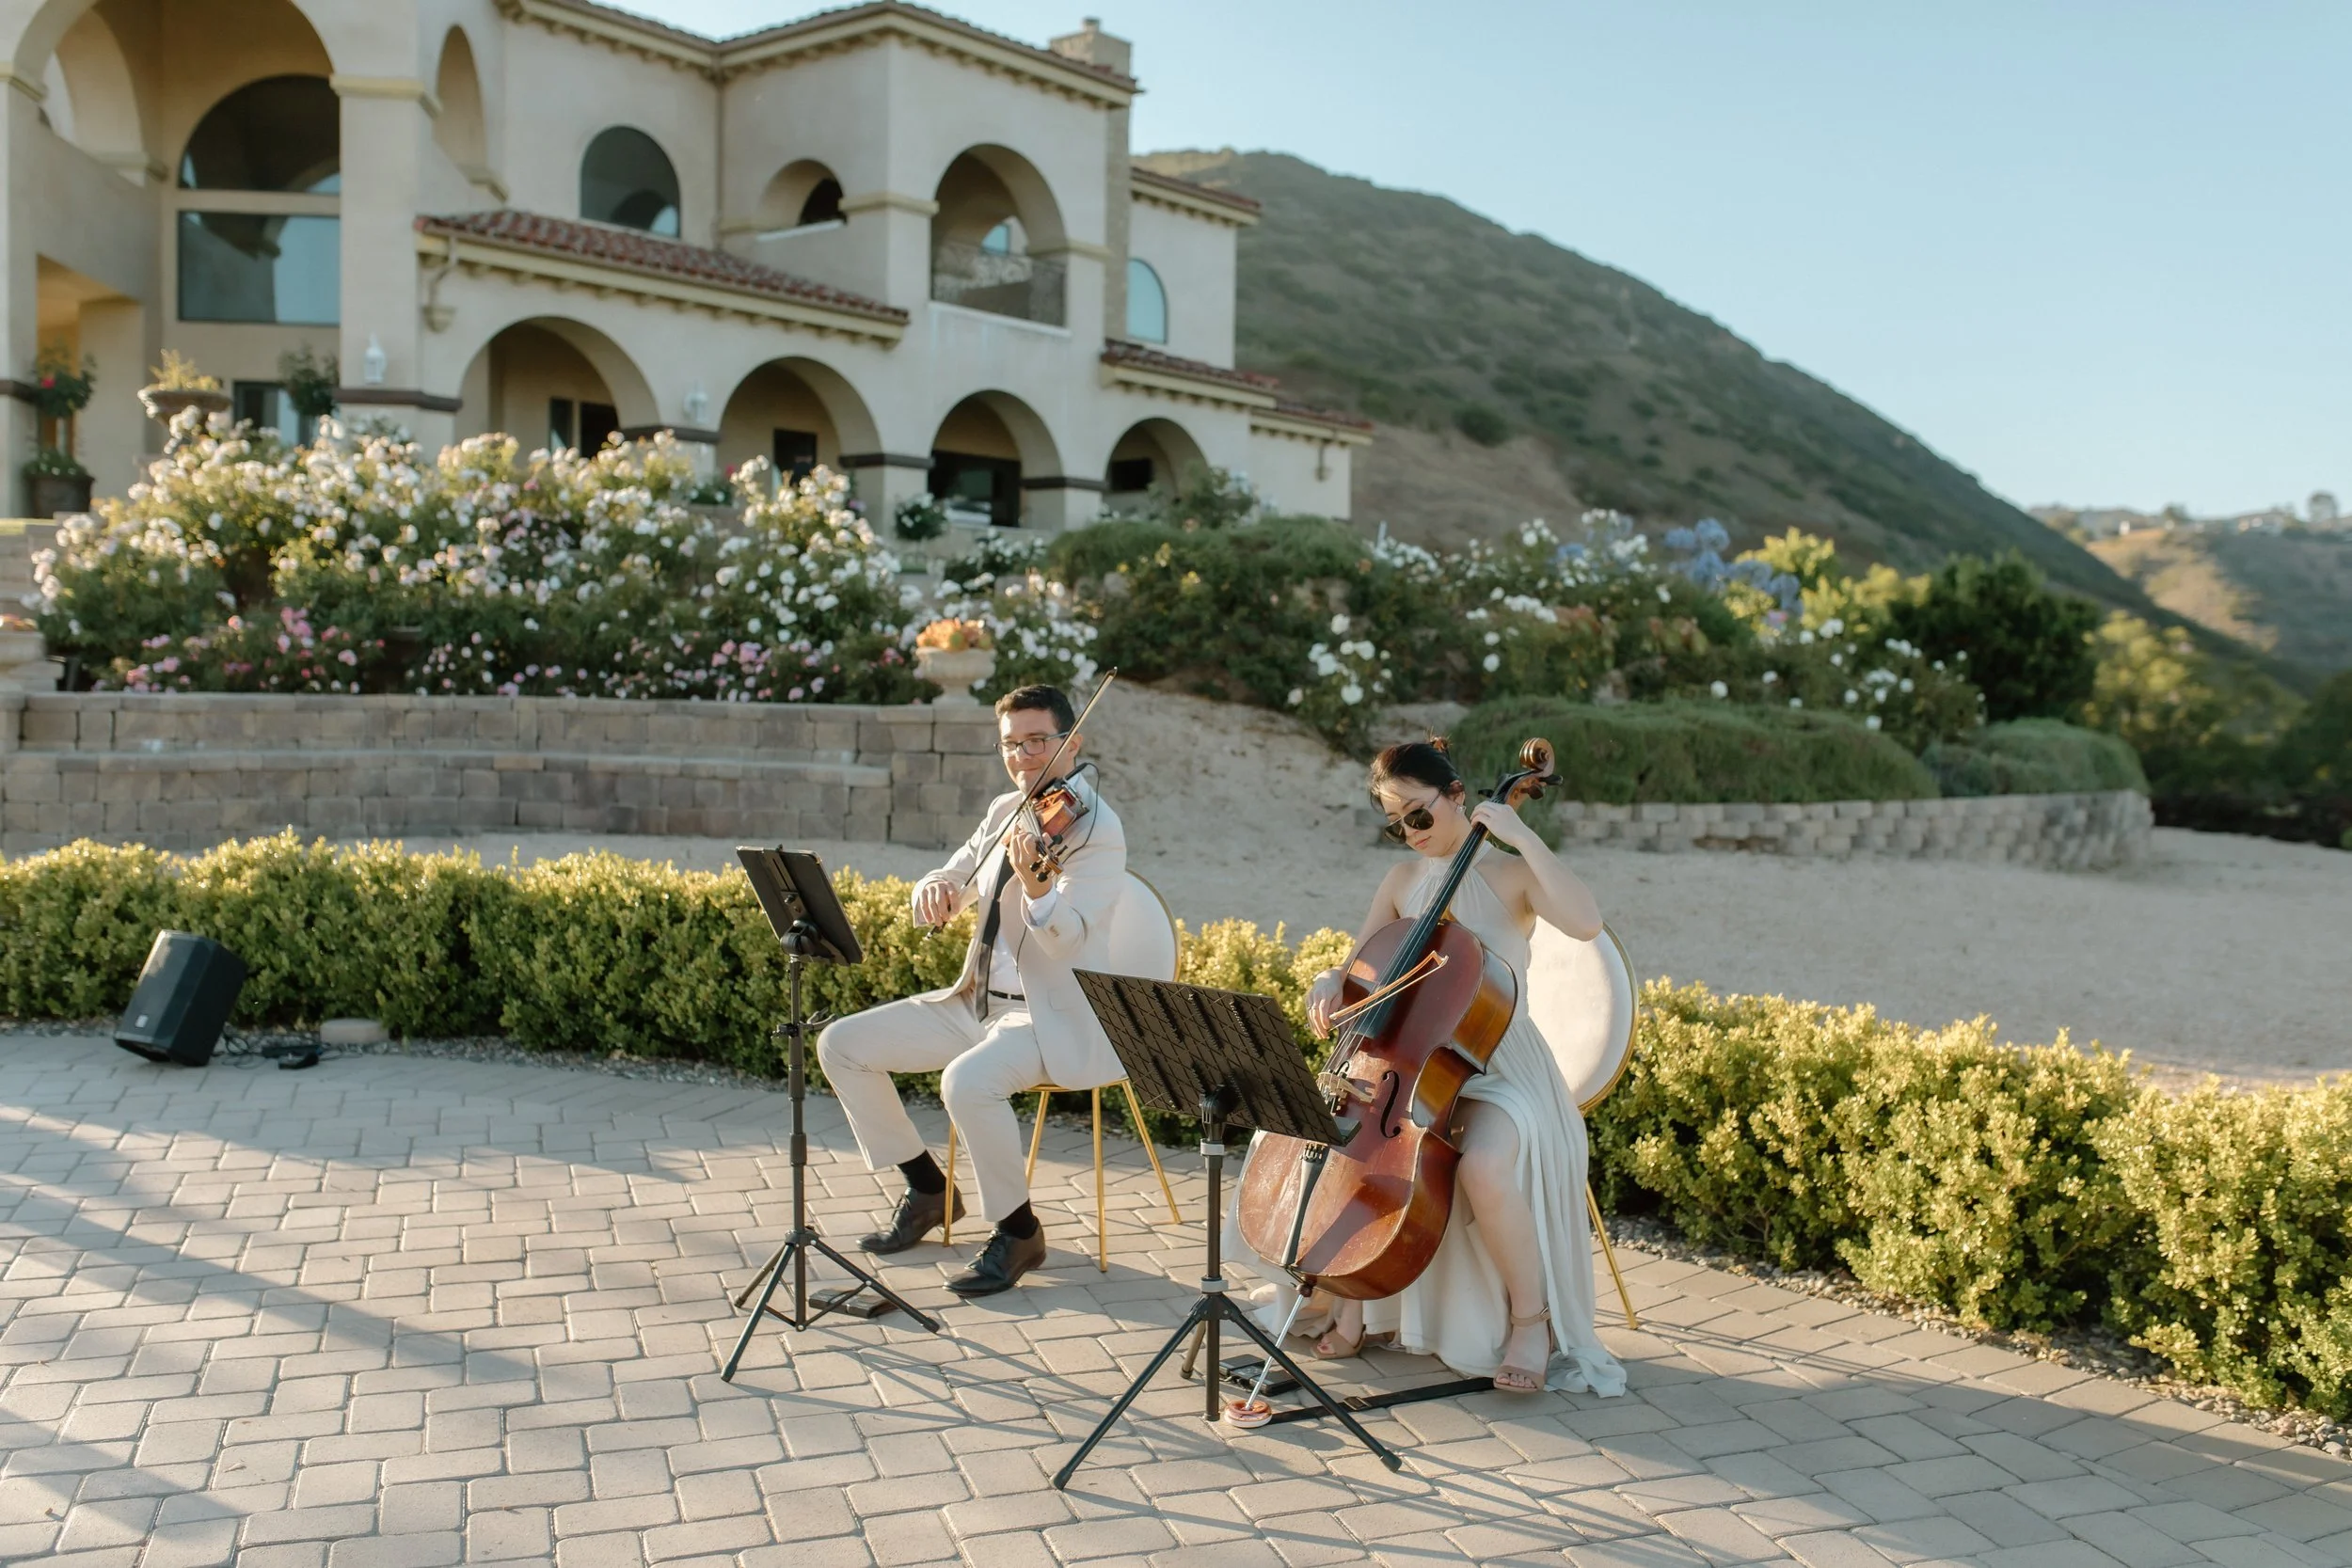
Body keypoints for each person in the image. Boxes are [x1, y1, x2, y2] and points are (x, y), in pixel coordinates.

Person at [1232, 738, 1627, 1396]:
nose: (1410, 834)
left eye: (1420, 815)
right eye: (1396, 824)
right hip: (1410, 1064)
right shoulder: (1400, 882)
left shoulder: (1509, 876)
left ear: (1457, 795)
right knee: (1341, 1148)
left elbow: (1586, 921)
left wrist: (1522, 834)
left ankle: (1533, 1321)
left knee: (1482, 1165)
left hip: (1500, 1067)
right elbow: (1360, 967)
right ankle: (1352, 1294)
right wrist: (1328, 983)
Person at [816, 684, 1128, 1297]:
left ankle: (1019, 1231)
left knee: (965, 1081)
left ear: (1073, 741)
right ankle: (928, 1188)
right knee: (841, 1044)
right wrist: (934, 887)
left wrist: (1040, 891)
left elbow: (1068, 941)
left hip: (1048, 1018)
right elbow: (953, 869)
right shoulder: (1004, 811)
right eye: (1012, 744)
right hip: (975, 1001)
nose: (1024, 756)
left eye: (1039, 740)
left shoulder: (1096, 830)